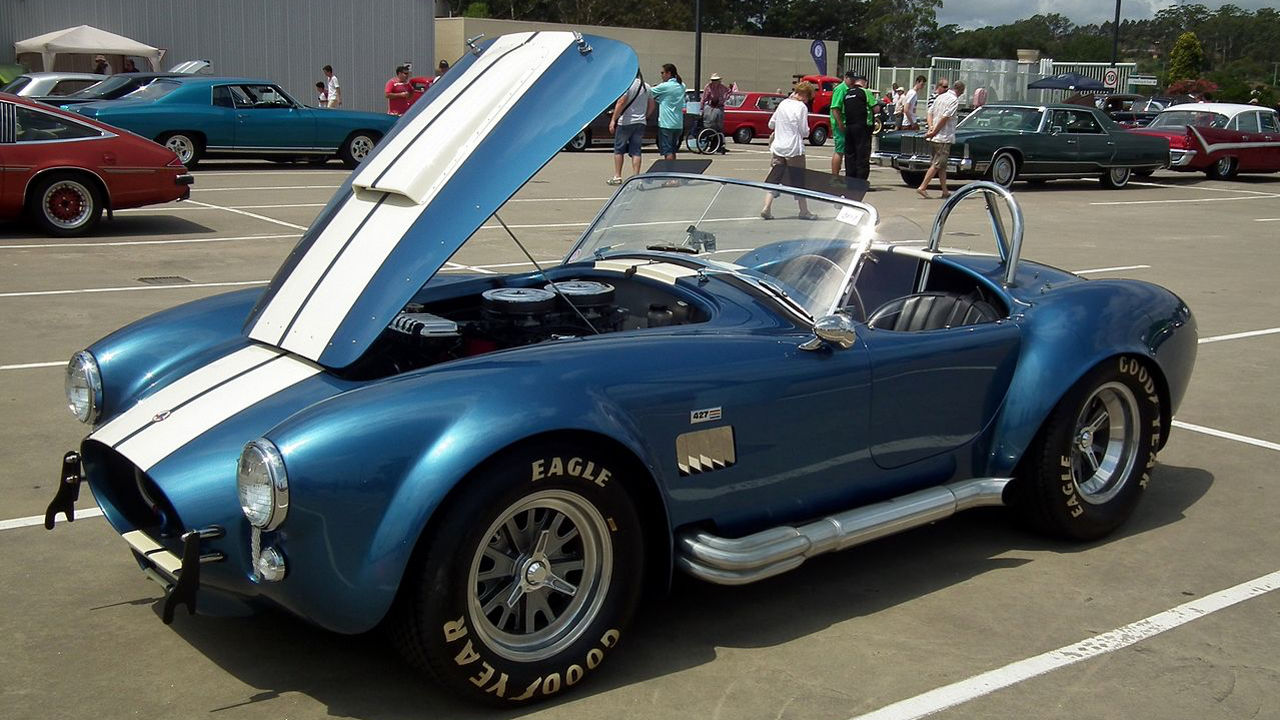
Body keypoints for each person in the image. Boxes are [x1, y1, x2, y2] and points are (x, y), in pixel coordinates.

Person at [760, 81, 817, 220]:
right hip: (794, 148)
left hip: (778, 147)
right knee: (799, 180)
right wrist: (807, 132)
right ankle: (803, 211)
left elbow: (771, 124)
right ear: (804, 95)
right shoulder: (801, 107)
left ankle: (766, 208)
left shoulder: (783, 103)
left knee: (774, 177)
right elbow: (804, 131)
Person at [918, 80, 963, 199]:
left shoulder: (940, 97)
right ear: (960, 90)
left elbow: (929, 112)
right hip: (943, 137)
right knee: (937, 164)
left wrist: (931, 127)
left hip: (936, 137)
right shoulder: (953, 100)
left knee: (941, 165)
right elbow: (945, 117)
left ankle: (945, 190)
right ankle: (923, 187)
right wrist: (934, 131)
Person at [607, 75, 654, 185]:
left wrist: (613, 119)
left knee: (619, 149)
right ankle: (636, 177)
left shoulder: (627, 86)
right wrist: (645, 116)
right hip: (640, 122)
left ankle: (617, 176)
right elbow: (652, 106)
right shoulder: (647, 86)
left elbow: (621, 102)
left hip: (626, 121)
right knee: (636, 151)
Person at [843, 74, 878, 182]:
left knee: (850, 155)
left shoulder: (847, 93)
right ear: (865, 82)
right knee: (862, 154)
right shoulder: (866, 92)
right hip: (862, 127)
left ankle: (850, 180)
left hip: (849, 126)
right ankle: (861, 181)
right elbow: (875, 109)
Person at [649, 63, 686, 162]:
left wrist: (656, 87)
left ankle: (668, 171)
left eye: (662, 73)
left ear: (668, 73)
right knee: (673, 150)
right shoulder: (682, 85)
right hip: (678, 123)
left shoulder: (665, 86)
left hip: (666, 123)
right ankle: (673, 174)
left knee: (667, 151)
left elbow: (648, 92)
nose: (661, 75)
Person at [829, 72, 857, 176]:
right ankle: (835, 176)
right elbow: (835, 108)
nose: (853, 80)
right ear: (845, 77)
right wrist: (840, 124)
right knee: (839, 151)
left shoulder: (850, 89)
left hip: (847, 123)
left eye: (854, 78)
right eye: (851, 78)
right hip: (840, 125)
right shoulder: (841, 89)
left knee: (845, 150)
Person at [701, 72, 731, 153]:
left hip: (719, 107)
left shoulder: (722, 87)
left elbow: (728, 92)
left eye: (716, 80)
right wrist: (701, 108)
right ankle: (711, 144)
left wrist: (727, 95)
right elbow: (704, 98)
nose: (715, 82)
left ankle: (719, 145)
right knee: (710, 125)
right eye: (714, 80)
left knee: (719, 127)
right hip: (710, 107)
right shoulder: (708, 87)